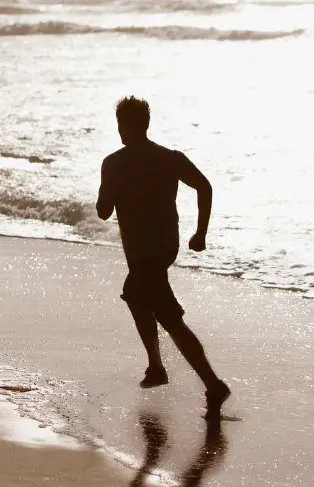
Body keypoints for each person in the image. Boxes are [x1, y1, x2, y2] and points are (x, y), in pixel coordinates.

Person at [96, 96, 230, 419]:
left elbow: (103, 212)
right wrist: (200, 233)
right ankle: (156, 367)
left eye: (119, 125)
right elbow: (204, 187)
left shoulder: (114, 163)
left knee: (171, 320)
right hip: (166, 247)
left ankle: (212, 384)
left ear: (124, 126)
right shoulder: (169, 158)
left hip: (143, 254)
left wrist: (111, 192)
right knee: (134, 295)